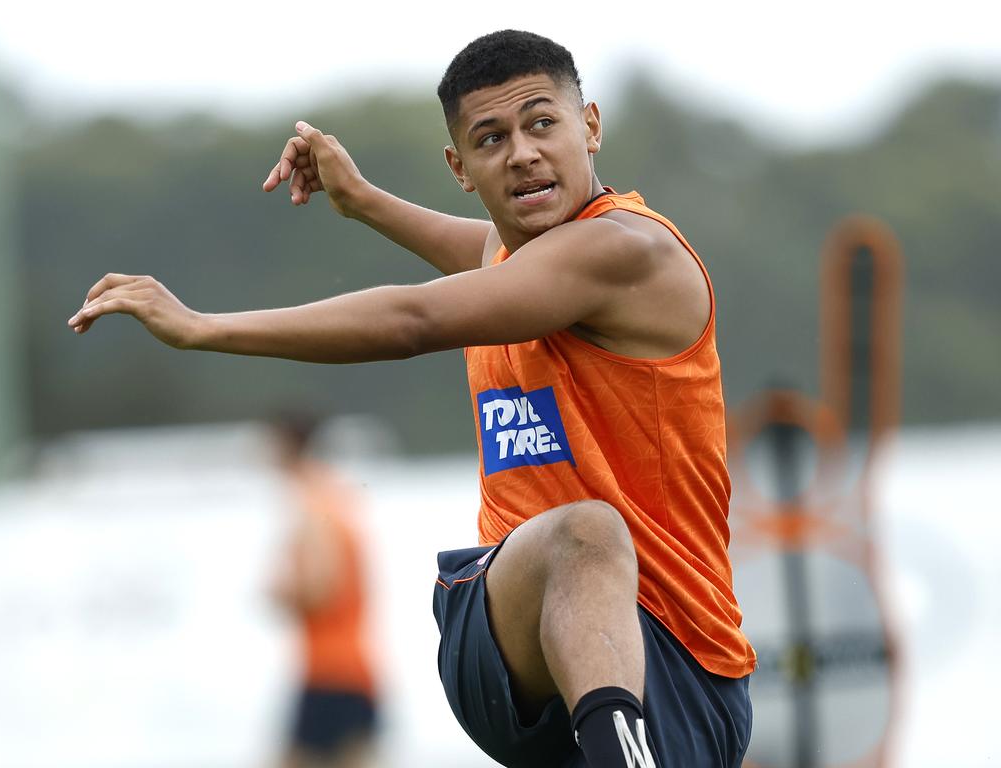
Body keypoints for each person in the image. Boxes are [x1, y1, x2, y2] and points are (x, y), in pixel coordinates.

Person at [68, 29, 755, 768]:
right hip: (505, 636)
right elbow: (475, 250)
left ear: (589, 127)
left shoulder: (623, 250)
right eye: (491, 138)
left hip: (683, 664)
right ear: (460, 168)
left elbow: (415, 317)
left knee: (588, 537)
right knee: (582, 534)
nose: (522, 152)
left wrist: (205, 327)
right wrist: (362, 202)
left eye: (542, 123)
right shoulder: (516, 254)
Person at [266, 414, 380, 768]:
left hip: (329, 673)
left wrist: (280, 592)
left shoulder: (312, 504)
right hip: (355, 670)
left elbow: (321, 586)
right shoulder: (335, 496)